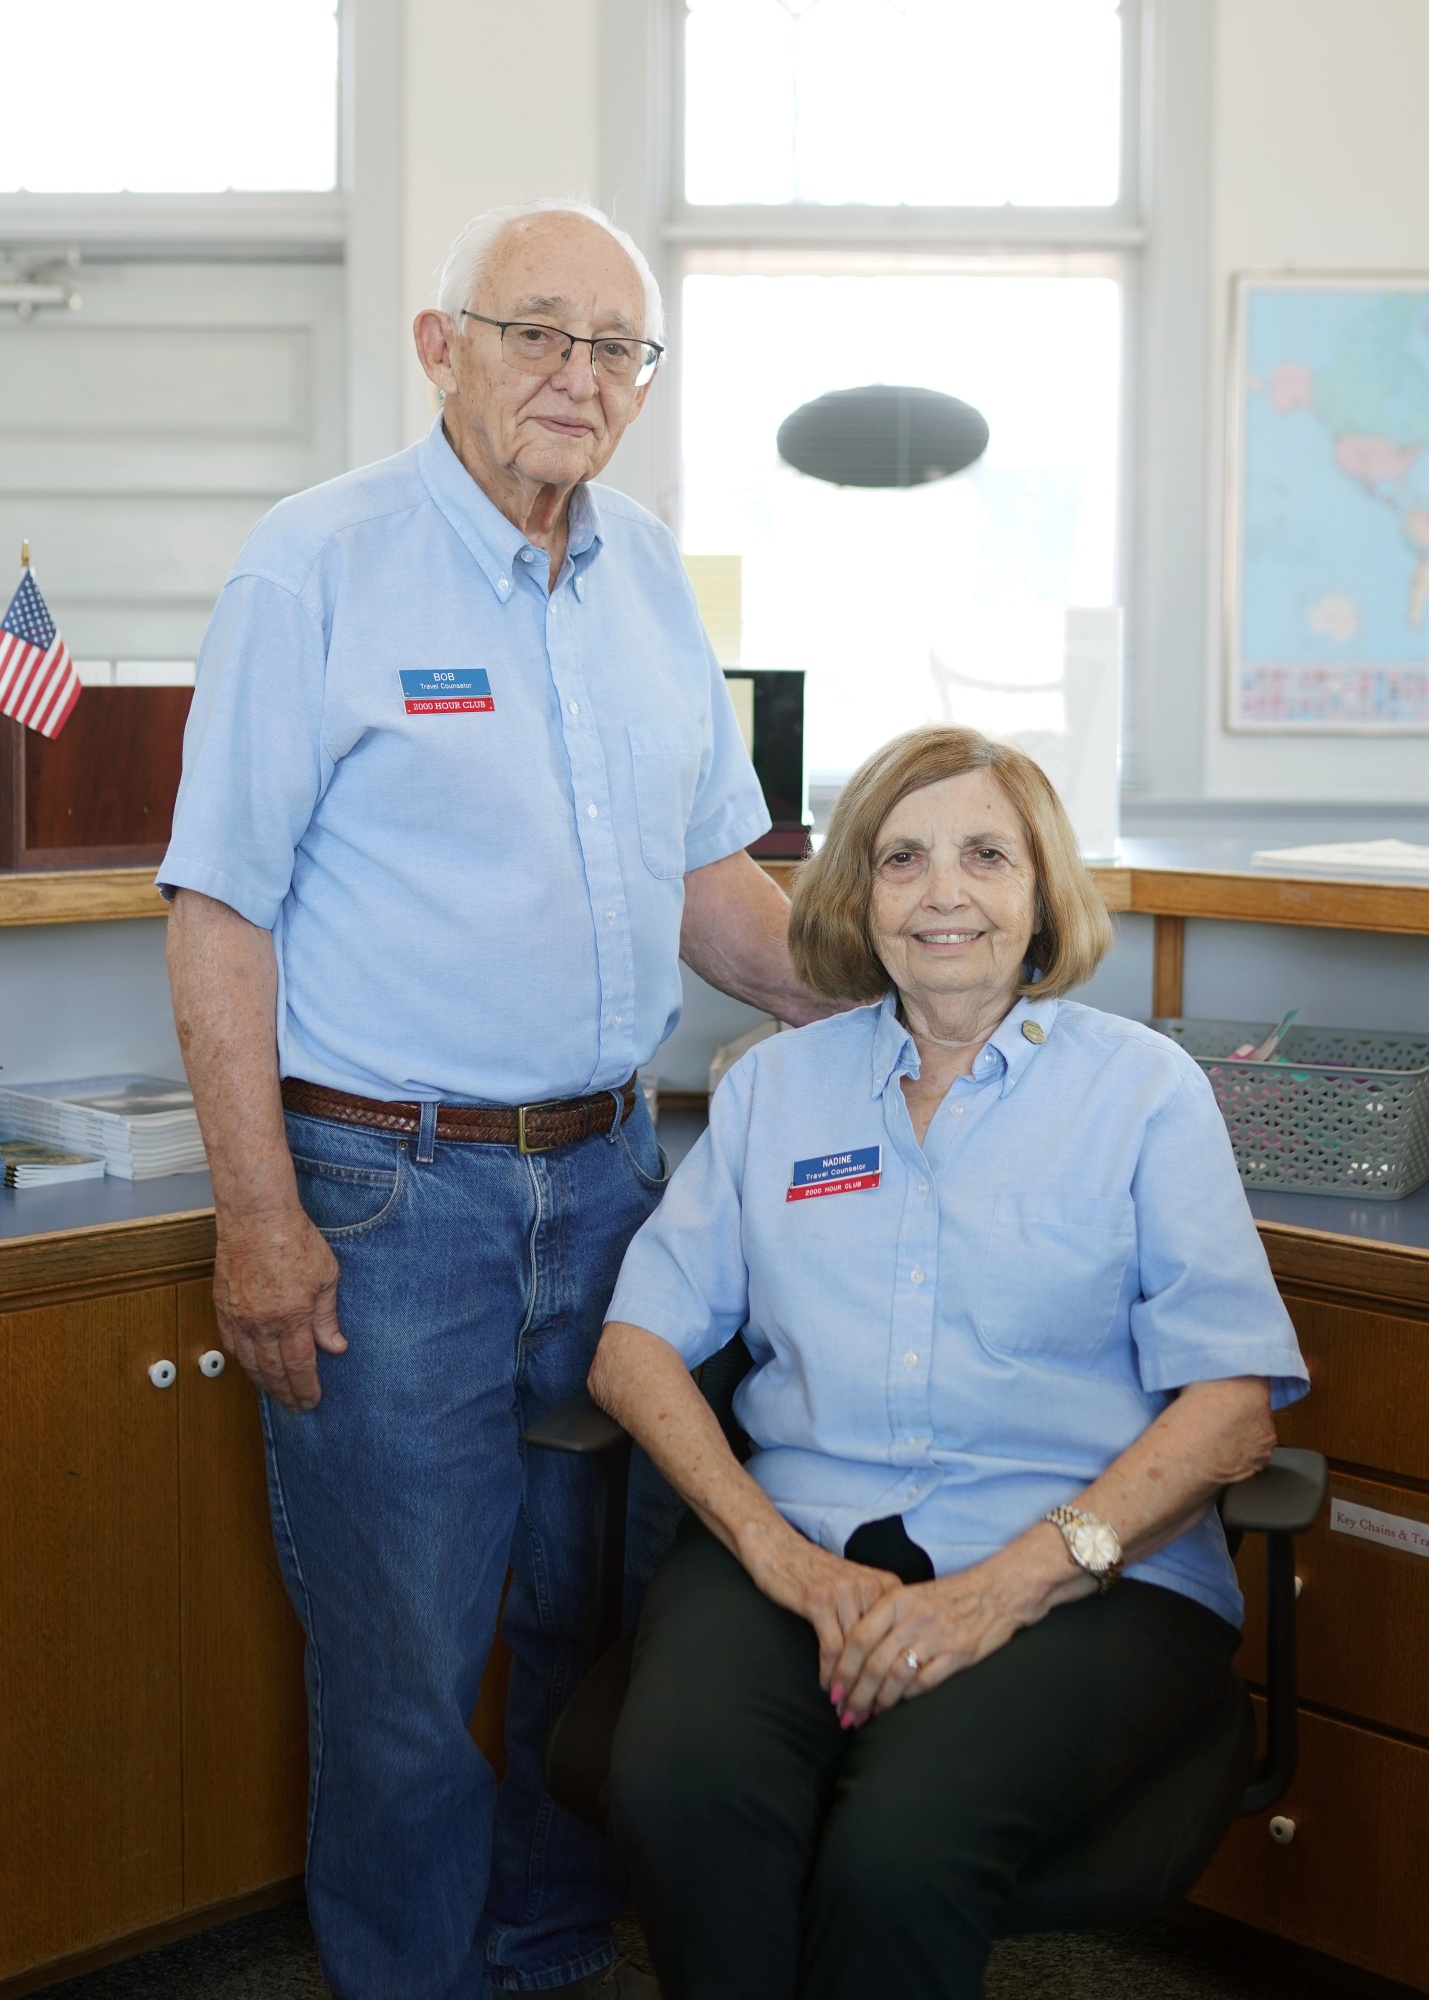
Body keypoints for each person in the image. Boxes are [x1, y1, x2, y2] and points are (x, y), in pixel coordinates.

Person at [161, 199, 828, 2000]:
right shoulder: (317, 566)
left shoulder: (647, 582)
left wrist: (892, 997)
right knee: (400, 1668)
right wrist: (257, 1219)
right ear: (439, 346)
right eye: (536, 331)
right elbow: (217, 907)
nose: (575, 376)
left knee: (576, 1625)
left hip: (614, 1183)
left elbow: (709, 881)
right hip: (387, 1200)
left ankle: (538, 1955)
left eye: (613, 347)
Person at [589, 724, 1311, 2000]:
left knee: (898, 1850)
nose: (944, 893)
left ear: (1041, 892)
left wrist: (1005, 1587)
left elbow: (1232, 1408)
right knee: (681, 1783)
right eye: (902, 858)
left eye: (987, 853)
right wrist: (778, 1556)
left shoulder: (1142, 1091)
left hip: (1088, 1578)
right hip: (802, 1549)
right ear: (856, 894)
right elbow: (634, 1347)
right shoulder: (773, 1091)